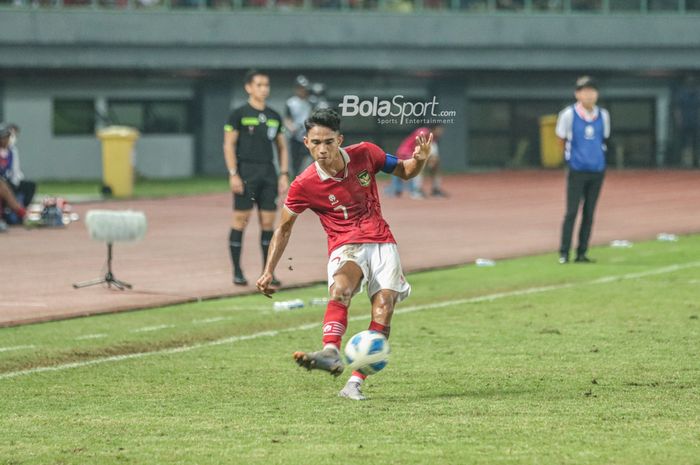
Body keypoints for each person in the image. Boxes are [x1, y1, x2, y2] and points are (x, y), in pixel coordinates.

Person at [256, 108, 434, 400]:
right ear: (306, 143)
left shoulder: (366, 153)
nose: (322, 149)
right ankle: (330, 351)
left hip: (381, 241)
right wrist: (268, 269)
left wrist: (420, 159)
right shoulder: (303, 184)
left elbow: (405, 170)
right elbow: (284, 228)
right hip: (345, 244)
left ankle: (354, 382)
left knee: (384, 308)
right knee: (341, 289)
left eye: (328, 142)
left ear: (340, 139)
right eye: (316, 143)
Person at [223, 70, 290, 286]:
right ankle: (237, 271)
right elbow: (228, 145)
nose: (264, 89)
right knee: (240, 221)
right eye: (259, 85)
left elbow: (282, 146)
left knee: (268, 223)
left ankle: (267, 271)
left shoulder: (273, 115)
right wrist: (233, 174)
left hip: (268, 174)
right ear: (248, 88)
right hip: (246, 173)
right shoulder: (239, 114)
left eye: (266, 85)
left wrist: (283, 173)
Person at [555, 76, 610, 264]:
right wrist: (569, 160)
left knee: (589, 212)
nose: (589, 95)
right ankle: (564, 252)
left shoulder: (603, 115)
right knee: (571, 212)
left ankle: (582, 252)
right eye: (584, 91)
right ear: (577, 94)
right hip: (577, 170)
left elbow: (603, 139)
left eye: (592, 91)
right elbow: (561, 139)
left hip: (597, 170)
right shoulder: (568, 115)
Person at [0, 123, 31, 225]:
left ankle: (18, 213)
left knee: (28, 186)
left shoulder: (12, 151)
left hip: (7, 183)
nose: (7, 139)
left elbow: (15, 172)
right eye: (5, 137)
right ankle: (22, 213)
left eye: (8, 137)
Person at [284, 75, 313, 178]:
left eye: (304, 88)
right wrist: (291, 127)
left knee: (313, 161)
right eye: (300, 88)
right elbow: (287, 118)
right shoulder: (291, 102)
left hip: (309, 137)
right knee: (296, 163)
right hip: (296, 137)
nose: (302, 91)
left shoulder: (310, 102)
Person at [673, 76, 699, 167]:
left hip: (695, 121)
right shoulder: (681, 94)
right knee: (684, 143)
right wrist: (679, 120)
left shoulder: (697, 93)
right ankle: (686, 162)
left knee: (696, 142)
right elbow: (677, 109)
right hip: (685, 122)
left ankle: (695, 161)